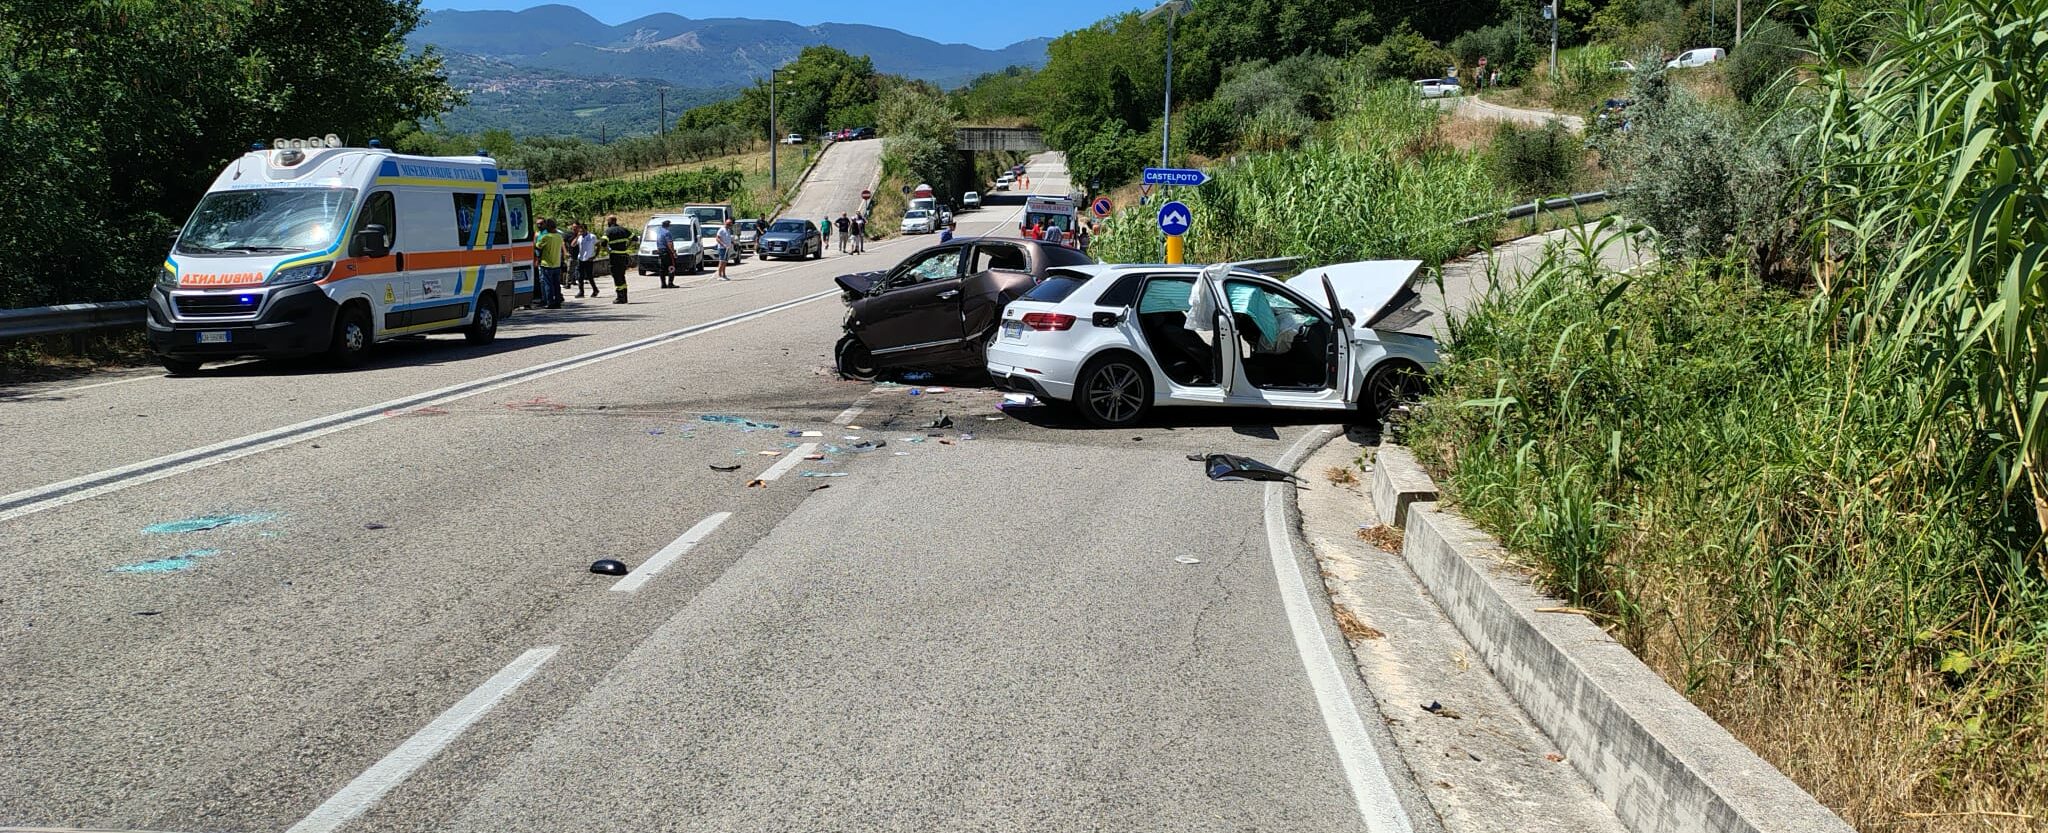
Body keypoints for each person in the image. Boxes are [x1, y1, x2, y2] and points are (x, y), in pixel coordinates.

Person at [534, 218, 565, 309]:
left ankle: (549, 302)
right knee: (556, 284)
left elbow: (537, 246)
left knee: (548, 284)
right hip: (557, 264)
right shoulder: (559, 237)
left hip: (546, 264)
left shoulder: (546, 237)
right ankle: (558, 302)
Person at [603, 215, 634, 304]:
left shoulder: (608, 231)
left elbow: (603, 243)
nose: (607, 222)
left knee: (617, 276)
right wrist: (627, 246)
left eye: (608, 221)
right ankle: (625, 296)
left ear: (610, 221)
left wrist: (608, 251)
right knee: (622, 275)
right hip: (623, 256)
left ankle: (620, 297)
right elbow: (634, 239)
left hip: (615, 256)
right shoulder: (623, 229)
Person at [572, 222, 599, 298]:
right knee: (580, 276)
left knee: (589, 276)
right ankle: (581, 292)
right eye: (580, 230)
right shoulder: (579, 237)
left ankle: (595, 289)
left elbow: (598, 245)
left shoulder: (592, 236)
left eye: (582, 230)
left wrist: (595, 255)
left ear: (586, 230)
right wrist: (577, 236)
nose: (581, 232)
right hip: (581, 258)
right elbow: (572, 244)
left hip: (588, 259)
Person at [654, 220, 678, 288]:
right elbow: (669, 243)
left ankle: (663, 284)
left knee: (662, 268)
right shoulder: (667, 232)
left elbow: (658, 242)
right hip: (667, 251)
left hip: (661, 251)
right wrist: (673, 252)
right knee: (671, 267)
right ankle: (670, 283)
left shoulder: (659, 232)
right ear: (668, 225)